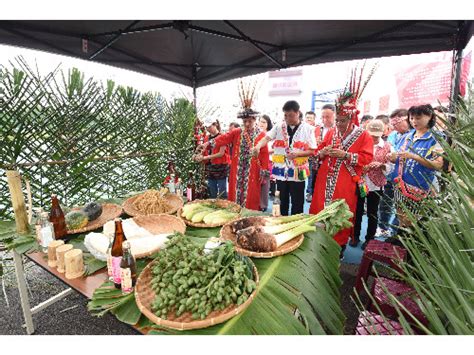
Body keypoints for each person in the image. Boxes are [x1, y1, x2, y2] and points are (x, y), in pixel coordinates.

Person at [309, 69, 375, 255]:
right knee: (320, 209)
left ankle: (338, 248)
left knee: (341, 212)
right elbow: (318, 152)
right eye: (337, 120)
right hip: (325, 179)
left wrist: (346, 155)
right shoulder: (331, 132)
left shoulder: (363, 135)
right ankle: (318, 243)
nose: (339, 124)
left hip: (345, 182)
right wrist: (323, 152)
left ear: (352, 117)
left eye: (343, 120)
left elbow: (367, 159)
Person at [205, 89, 269, 211]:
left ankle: (249, 216)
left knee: (251, 194)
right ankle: (235, 215)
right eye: (245, 121)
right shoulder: (237, 132)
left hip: (253, 170)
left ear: (255, 120)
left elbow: (265, 154)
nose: (247, 124)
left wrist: (264, 171)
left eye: (250, 121)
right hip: (237, 169)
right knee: (235, 193)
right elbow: (223, 138)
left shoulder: (261, 135)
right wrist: (207, 144)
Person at [387, 104, 443, 240]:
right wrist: (393, 158)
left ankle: (411, 252)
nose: (414, 121)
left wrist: (414, 156)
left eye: (418, 118)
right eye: (411, 118)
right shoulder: (407, 136)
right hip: (399, 184)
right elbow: (400, 157)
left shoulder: (436, 138)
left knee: (412, 224)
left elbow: (438, 164)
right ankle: (401, 246)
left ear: (429, 117)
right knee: (401, 220)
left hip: (419, 187)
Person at [252, 100, 316, 216]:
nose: (287, 118)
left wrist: (297, 154)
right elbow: (266, 138)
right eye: (285, 115)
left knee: (297, 203)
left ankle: (296, 226)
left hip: (297, 173)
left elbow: (312, 151)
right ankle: (282, 224)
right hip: (281, 172)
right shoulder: (279, 126)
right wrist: (257, 146)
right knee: (281, 202)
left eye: (290, 115)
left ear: (297, 113)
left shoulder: (308, 129)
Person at [351, 120, 393, 249]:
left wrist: (382, 165)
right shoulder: (360, 145)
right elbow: (352, 162)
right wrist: (360, 167)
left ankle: (369, 239)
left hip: (376, 185)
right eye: (371, 135)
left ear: (383, 133)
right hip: (360, 183)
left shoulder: (388, 147)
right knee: (357, 212)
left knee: (372, 213)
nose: (374, 138)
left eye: (377, 135)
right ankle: (355, 236)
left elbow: (391, 167)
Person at [377, 108, 410, 238]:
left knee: (401, 208)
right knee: (386, 202)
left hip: (406, 178)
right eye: (393, 124)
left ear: (406, 120)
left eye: (396, 123)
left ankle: (395, 232)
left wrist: (397, 157)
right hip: (391, 176)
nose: (394, 127)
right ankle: (383, 227)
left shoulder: (413, 135)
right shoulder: (392, 135)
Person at [194, 119, 230, 199]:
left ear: (215, 125)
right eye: (206, 127)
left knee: (222, 192)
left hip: (221, 167)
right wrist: (198, 153)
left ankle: (224, 209)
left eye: (209, 126)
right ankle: (213, 209)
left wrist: (205, 157)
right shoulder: (207, 138)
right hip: (210, 167)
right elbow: (204, 150)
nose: (208, 129)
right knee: (212, 191)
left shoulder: (222, 136)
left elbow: (221, 153)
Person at [306, 104, 335, 202]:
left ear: (334, 116)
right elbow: (310, 146)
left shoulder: (338, 130)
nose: (325, 119)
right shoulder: (317, 129)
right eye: (323, 117)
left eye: (328, 117)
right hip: (316, 163)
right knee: (315, 188)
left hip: (332, 167)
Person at [258, 114, 273, 212]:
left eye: (264, 122)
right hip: (257, 162)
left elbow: (274, 149)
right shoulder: (256, 134)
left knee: (265, 184)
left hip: (268, 162)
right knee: (256, 184)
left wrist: (262, 150)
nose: (262, 124)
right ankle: (256, 203)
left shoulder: (271, 134)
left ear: (268, 124)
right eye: (261, 121)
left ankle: (263, 205)